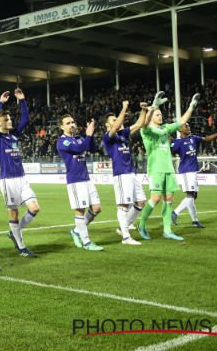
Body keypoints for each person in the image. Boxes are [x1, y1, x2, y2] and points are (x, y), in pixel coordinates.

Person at [138, 91, 198, 241]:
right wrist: (153, 107)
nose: (160, 116)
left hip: (168, 170)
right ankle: (141, 224)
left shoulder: (165, 128)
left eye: (160, 114)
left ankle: (167, 230)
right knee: (156, 198)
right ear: (151, 117)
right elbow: (144, 124)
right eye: (157, 114)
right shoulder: (146, 130)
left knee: (169, 199)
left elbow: (181, 122)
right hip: (156, 170)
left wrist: (191, 106)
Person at [0, 89, 40, 258]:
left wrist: (23, 101)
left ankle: (15, 232)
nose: (10, 121)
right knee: (14, 213)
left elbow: (25, 119)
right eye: (6, 119)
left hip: (22, 178)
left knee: (34, 208)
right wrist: (0, 103)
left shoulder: (14, 135)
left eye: (10, 118)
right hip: (8, 180)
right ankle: (21, 247)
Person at [101, 101, 149, 245]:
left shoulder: (123, 134)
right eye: (113, 120)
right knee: (123, 205)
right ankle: (126, 238)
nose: (117, 121)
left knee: (140, 202)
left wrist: (144, 110)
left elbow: (139, 124)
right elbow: (116, 126)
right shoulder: (107, 137)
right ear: (107, 125)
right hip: (121, 174)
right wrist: (124, 108)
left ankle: (123, 227)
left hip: (131, 173)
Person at [57, 114, 103, 251]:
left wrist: (91, 134)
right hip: (75, 180)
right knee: (80, 210)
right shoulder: (62, 141)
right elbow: (78, 149)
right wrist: (88, 135)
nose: (71, 125)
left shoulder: (79, 139)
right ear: (62, 126)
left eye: (72, 122)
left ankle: (76, 231)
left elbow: (93, 149)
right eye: (68, 123)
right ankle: (86, 242)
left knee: (96, 208)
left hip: (86, 178)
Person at [171, 124, 217, 228]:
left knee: (193, 196)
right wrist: (170, 143)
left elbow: (207, 139)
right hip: (186, 171)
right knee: (191, 195)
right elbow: (171, 151)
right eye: (186, 126)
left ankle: (194, 220)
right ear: (180, 129)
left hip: (193, 170)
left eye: (189, 126)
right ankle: (176, 212)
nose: (189, 127)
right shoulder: (177, 142)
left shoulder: (193, 138)